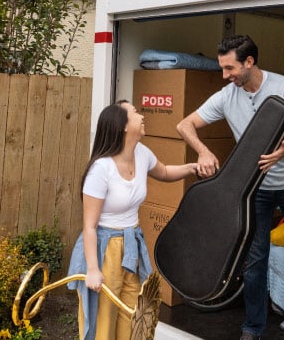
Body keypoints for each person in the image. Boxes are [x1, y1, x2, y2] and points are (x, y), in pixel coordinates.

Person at [176, 34, 284, 340]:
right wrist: (203, 151)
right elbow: (184, 125)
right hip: (254, 190)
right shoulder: (227, 95)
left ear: (249, 62)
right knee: (255, 260)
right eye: (222, 68)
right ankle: (253, 328)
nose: (225, 75)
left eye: (230, 68)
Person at [67, 100, 198, 340]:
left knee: (132, 315)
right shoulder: (101, 169)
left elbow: (166, 172)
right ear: (123, 126)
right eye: (136, 113)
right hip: (105, 249)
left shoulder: (142, 153)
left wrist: (192, 167)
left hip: (131, 245)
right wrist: (93, 269)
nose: (142, 116)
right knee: (104, 319)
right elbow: (89, 226)